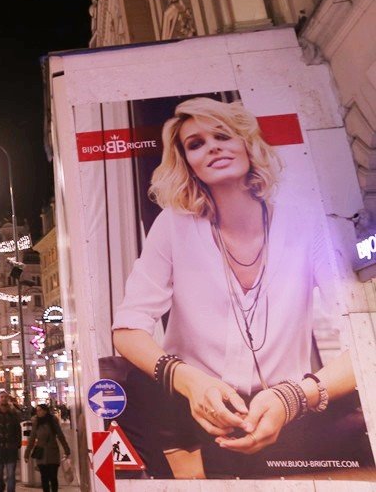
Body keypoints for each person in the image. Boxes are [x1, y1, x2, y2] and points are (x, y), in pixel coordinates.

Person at [111, 97, 369, 479]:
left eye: (223, 135)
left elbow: (365, 336)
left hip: (291, 414)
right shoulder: (173, 225)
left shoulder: (305, 218)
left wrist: (294, 396)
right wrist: (190, 381)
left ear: (247, 144)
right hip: (188, 416)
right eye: (195, 143)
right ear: (188, 164)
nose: (212, 146)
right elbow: (128, 329)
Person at [25, 405, 71, 492]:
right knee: (44, 478)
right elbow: (32, 438)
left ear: (45, 411)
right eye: (37, 410)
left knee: (53, 477)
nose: (38, 412)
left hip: (52, 452)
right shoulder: (36, 422)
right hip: (41, 453)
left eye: (40, 410)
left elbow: (60, 435)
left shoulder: (53, 421)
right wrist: (26, 454)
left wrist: (66, 449)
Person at [0, 392, 21, 492]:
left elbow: (18, 429)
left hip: (11, 449)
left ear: (8, 399)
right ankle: (0, 488)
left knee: (11, 475)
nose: (4, 399)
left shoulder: (14, 413)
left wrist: (17, 443)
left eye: (6, 397)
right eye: (2, 397)